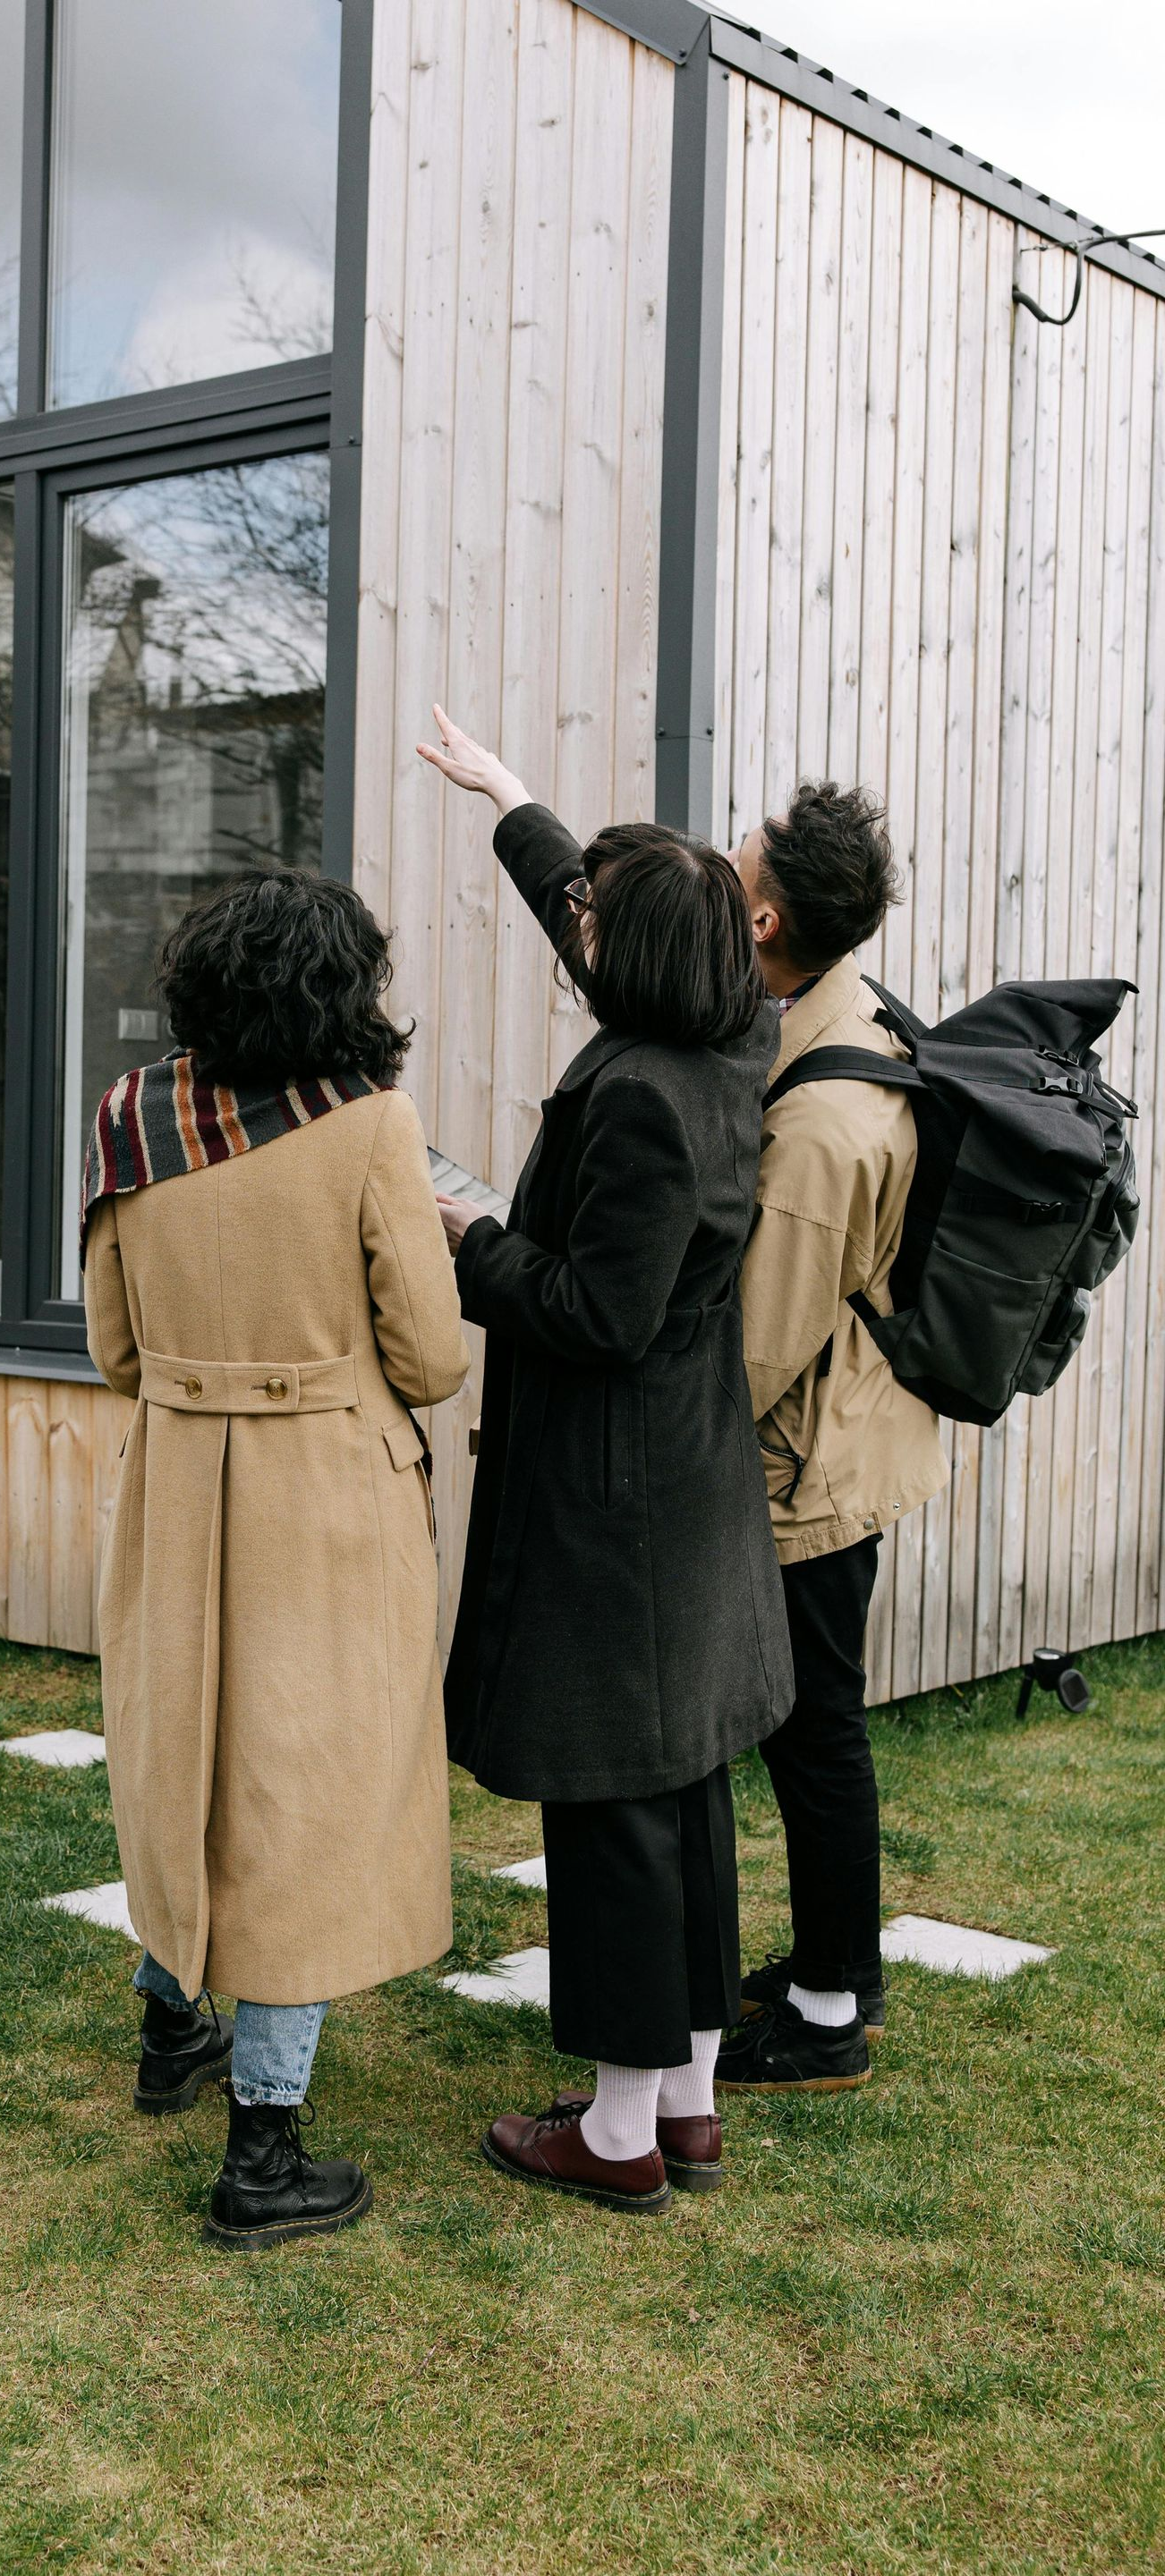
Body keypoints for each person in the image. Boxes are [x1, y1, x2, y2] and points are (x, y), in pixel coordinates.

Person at [418, 707, 793, 2214]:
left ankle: (620, 2134)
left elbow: (599, 1314)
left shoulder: (640, 1098)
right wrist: (514, 802)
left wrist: (470, 1240)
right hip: (688, 1490)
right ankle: (685, 2105)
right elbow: (611, 924)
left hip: (618, 1506)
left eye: (592, 917)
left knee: (615, 1813)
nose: (577, 926)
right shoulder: (736, 1034)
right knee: (683, 1789)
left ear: (631, 965)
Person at [82, 868, 469, 2250]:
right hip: (328, 1505)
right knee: (302, 1797)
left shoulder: (132, 1118)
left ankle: (170, 2027)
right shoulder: (371, 1123)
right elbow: (432, 1356)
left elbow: (114, 1350)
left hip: (178, 1487)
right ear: (339, 995)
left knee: (181, 1758)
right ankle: (264, 2152)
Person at [712, 784, 949, 2094]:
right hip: (852, 1430)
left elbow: (763, 1345)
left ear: (764, 916)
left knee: (814, 1734)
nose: (726, 854)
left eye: (738, 854)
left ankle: (826, 2013)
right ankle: (836, 1964)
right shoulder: (838, 1007)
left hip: (815, 1462)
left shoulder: (820, 1126)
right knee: (817, 1727)